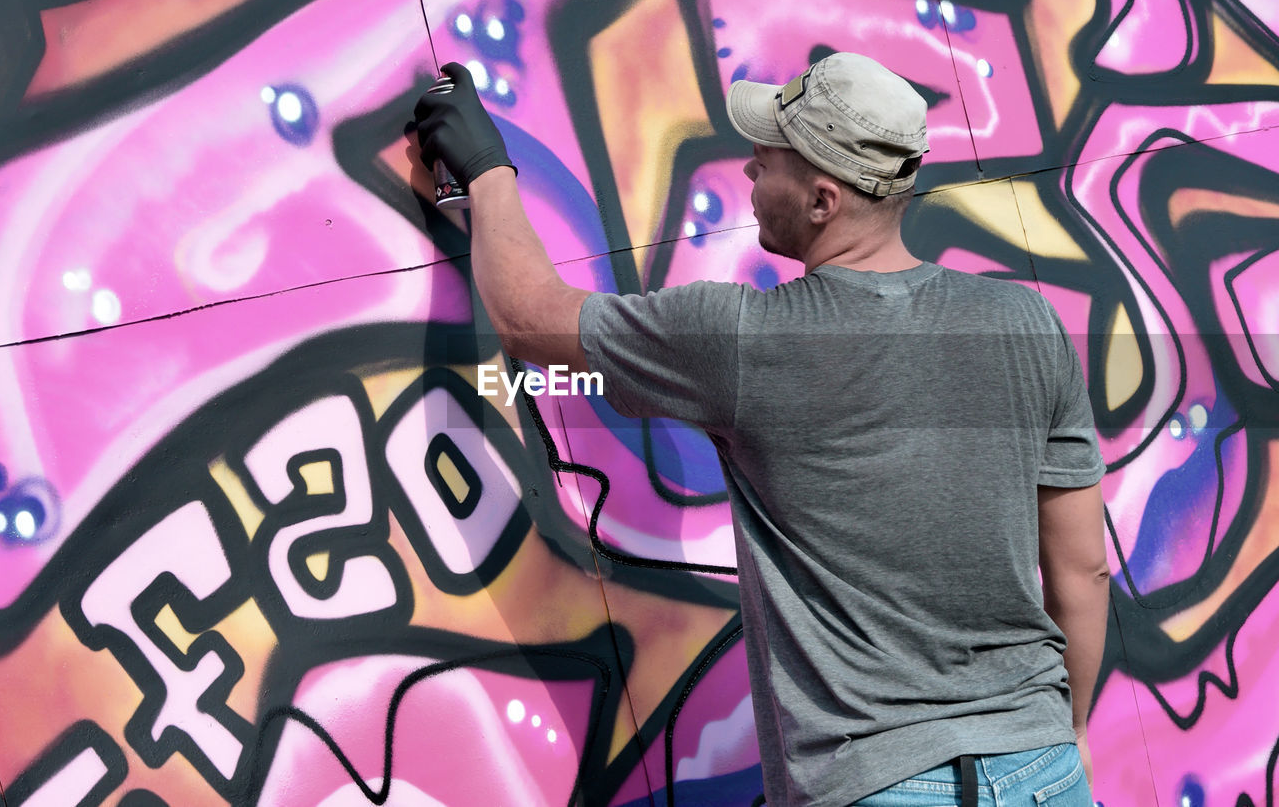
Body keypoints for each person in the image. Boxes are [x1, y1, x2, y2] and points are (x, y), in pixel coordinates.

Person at [415, 52, 1110, 806]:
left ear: (822, 200)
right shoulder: (1025, 322)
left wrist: (486, 166)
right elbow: (1082, 572)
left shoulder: (746, 341)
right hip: (1040, 768)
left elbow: (527, 317)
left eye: (767, 158)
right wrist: (1060, 731)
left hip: (878, 782)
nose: (749, 169)